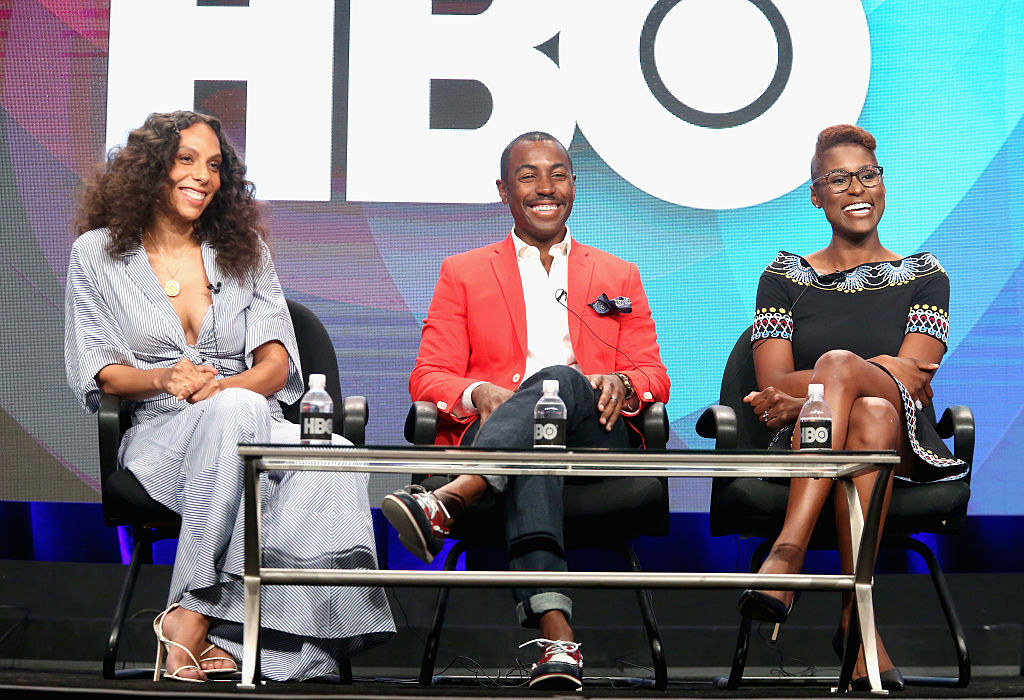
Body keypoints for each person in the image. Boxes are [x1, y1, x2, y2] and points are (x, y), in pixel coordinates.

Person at [64, 111, 394, 682]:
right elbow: (102, 371)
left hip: (246, 418)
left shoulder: (243, 252)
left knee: (334, 450)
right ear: (150, 170)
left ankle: (249, 638)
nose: (202, 176)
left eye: (214, 165)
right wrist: (166, 378)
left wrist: (222, 390)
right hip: (161, 436)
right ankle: (192, 617)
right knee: (238, 413)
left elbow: (274, 365)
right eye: (186, 160)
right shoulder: (98, 255)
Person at [380, 132, 670, 690]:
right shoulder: (463, 272)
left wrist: (623, 384)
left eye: (558, 174)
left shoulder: (617, 274)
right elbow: (429, 376)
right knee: (540, 435)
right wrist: (477, 393)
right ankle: (557, 638)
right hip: (513, 432)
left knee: (558, 382)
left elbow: (654, 375)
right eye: (528, 176)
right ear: (503, 190)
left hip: (597, 439)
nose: (546, 188)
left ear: (575, 187)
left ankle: (454, 496)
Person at [737, 124, 968, 691]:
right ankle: (857, 622)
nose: (857, 187)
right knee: (870, 415)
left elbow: (915, 380)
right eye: (838, 179)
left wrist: (832, 378)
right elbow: (770, 379)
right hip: (827, 435)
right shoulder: (785, 275)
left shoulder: (925, 275)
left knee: (844, 371)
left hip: (908, 447)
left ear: (883, 183)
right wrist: (878, 372)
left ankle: (786, 557)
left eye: (868, 175)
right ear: (816, 195)